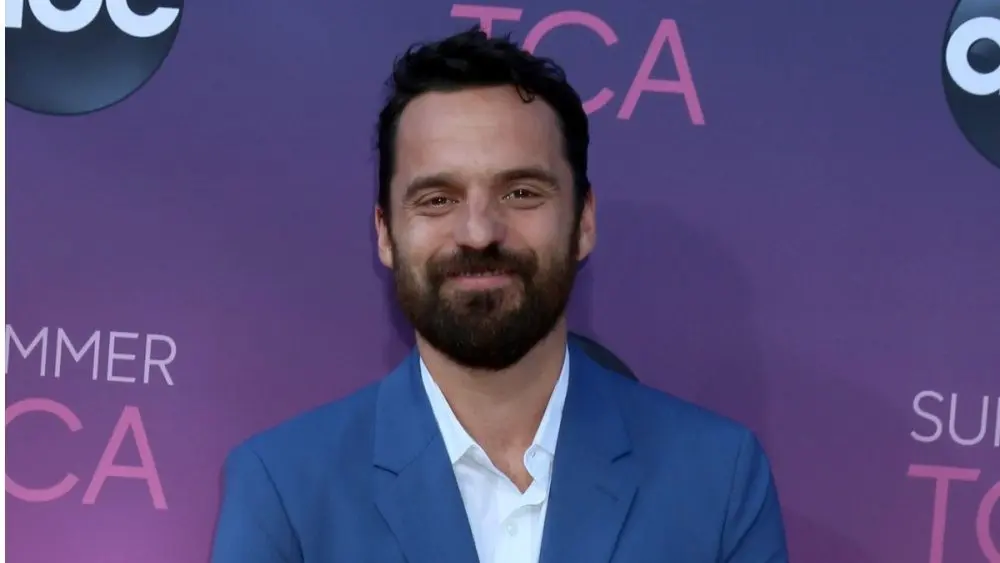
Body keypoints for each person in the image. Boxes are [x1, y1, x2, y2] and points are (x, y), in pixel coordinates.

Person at [210, 27, 789, 563]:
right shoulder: (284, 488)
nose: (480, 231)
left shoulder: (718, 478)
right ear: (385, 234)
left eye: (520, 192)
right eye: (438, 199)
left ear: (583, 220)